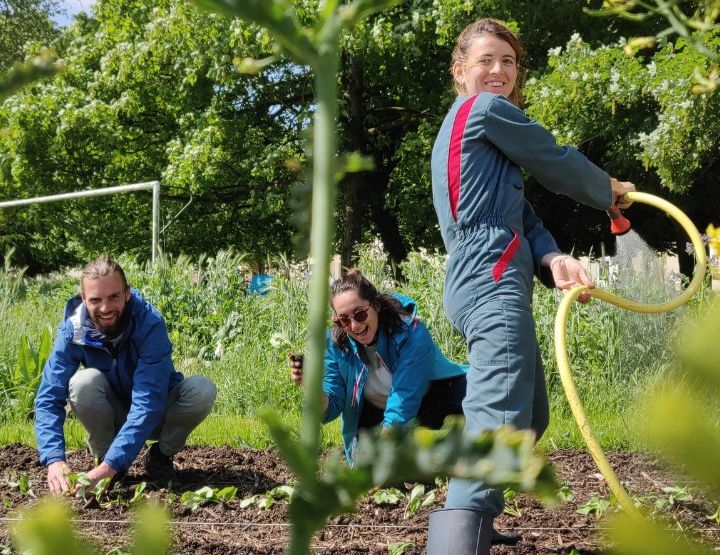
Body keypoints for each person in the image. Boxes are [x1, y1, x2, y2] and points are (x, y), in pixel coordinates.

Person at [427, 18, 636, 554]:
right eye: (485, 60)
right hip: (489, 278)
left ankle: (477, 514)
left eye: (509, 61)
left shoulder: (481, 144)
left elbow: (520, 216)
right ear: (460, 72)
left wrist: (552, 258)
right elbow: (552, 158)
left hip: (491, 278)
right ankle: (461, 532)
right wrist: (606, 189)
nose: (498, 70)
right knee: (500, 416)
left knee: (528, 412)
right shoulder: (483, 111)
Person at [35, 255, 217, 494]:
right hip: (113, 414)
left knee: (202, 390)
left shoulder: (149, 324)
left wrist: (113, 463)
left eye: (114, 297)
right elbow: (49, 396)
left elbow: (148, 400)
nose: (105, 308)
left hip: (157, 412)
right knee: (83, 383)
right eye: (95, 300)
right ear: (83, 299)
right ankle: (107, 459)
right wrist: (54, 459)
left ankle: (159, 458)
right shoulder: (73, 330)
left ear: (127, 293)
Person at [289, 269, 467, 463]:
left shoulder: (413, 334)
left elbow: (403, 401)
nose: (355, 326)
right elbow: (329, 409)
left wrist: (382, 454)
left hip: (430, 399)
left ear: (375, 306)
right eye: (344, 319)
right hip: (375, 412)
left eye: (359, 314)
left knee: (477, 393)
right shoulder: (334, 346)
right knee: (370, 468)